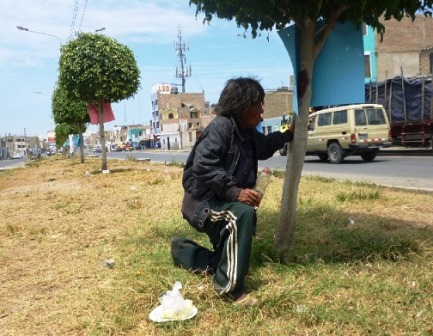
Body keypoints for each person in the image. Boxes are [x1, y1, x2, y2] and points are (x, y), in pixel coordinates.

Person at [170, 77, 295, 305]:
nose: (262, 111)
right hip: (202, 203)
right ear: (244, 106)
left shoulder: (245, 131)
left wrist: (287, 134)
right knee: (241, 214)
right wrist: (235, 192)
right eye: (259, 104)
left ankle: (182, 249)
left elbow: (265, 147)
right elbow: (203, 165)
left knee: (223, 259)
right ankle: (229, 290)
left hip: (216, 201)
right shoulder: (221, 127)